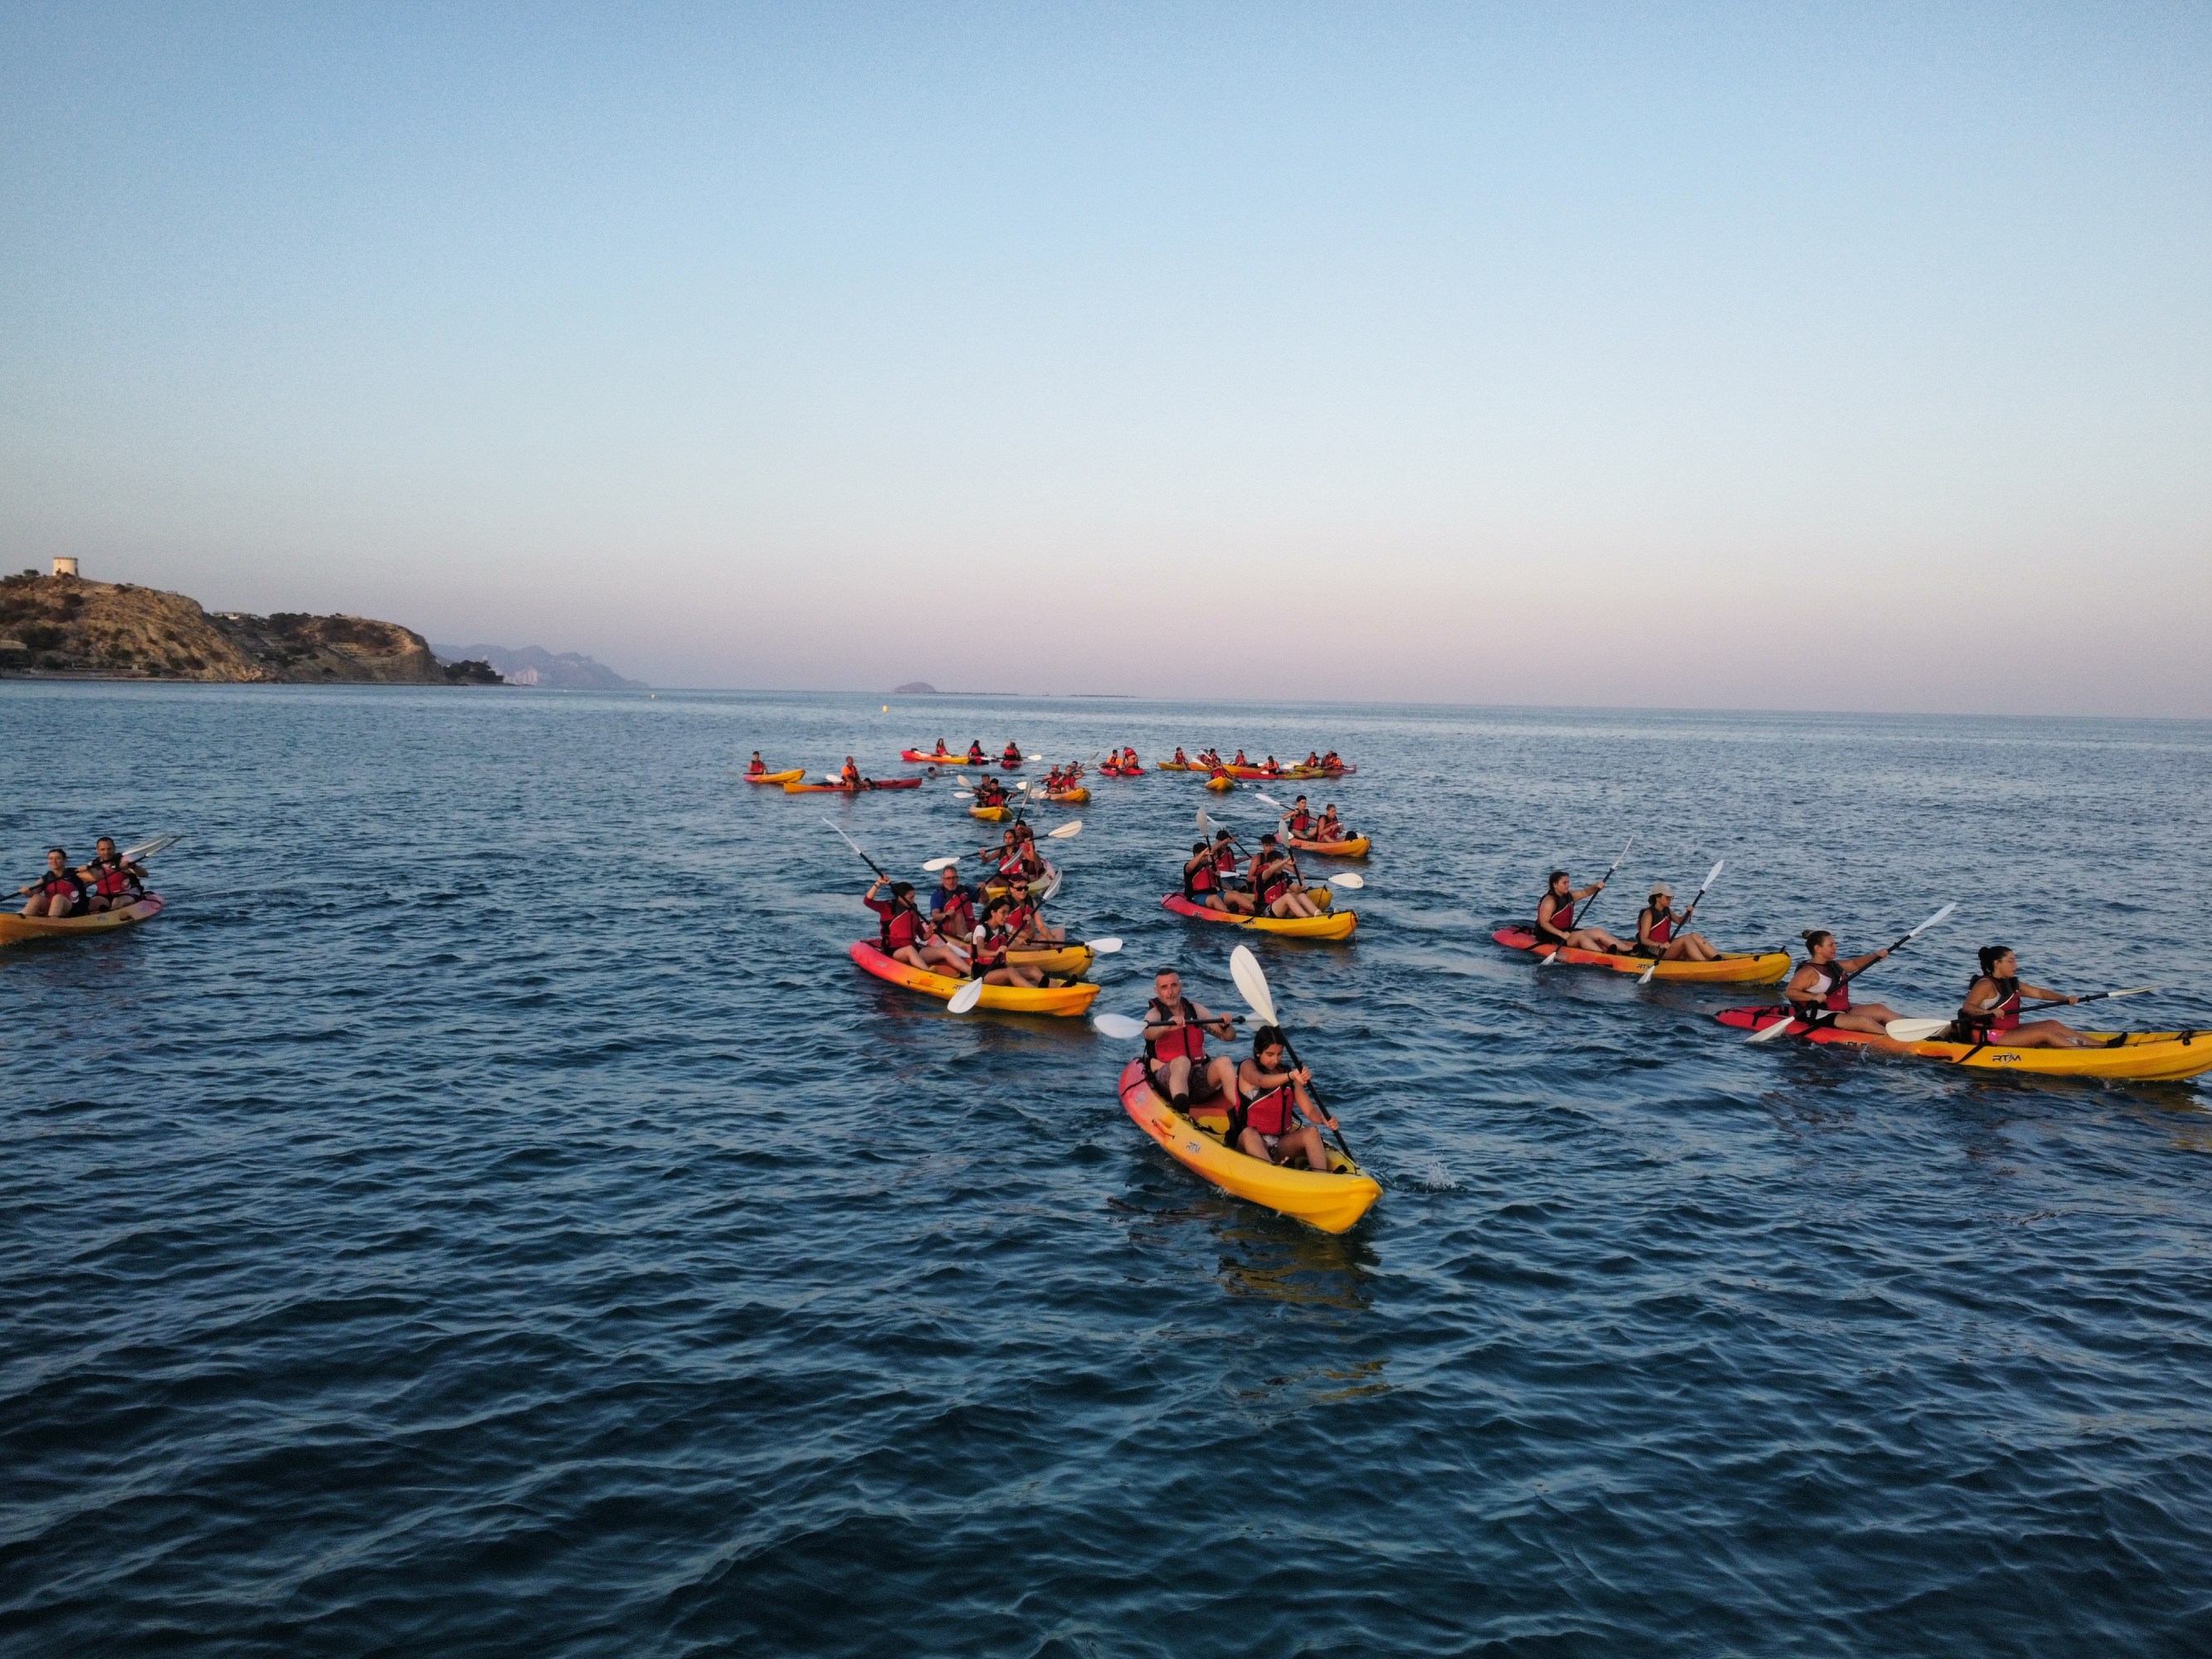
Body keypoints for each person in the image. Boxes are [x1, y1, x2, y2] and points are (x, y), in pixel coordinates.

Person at [1233, 1027, 1337, 1170]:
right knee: (1249, 1134)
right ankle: (1274, 1172)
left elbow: (1309, 1110)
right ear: (1258, 1052)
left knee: (1312, 1132)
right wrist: (1291, 1075)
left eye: (1279, 1054)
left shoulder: (1288, 1074)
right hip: (1252, 1142)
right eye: (1270, 1054)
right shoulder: (1248, 1066)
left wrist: (1323, 1118)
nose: (1275, 1060)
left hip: (1281, 1144)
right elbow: (1261, 1080)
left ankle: (1322, 1177)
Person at [1782, 931, 1909, 1047]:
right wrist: (1813, 997)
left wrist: (1876, 957)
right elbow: (1790, 992)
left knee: (1880, 1009)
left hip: (1840, 1009)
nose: (1835, 947)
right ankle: (1900, 1044)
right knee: (1864, 1022)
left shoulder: (1834, 965)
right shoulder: (1808, 972)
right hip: (1820, 1014)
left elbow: (1855, 963)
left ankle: (1910, 1031)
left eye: (1835, 944)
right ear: (1818, 949)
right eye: (1831, 945)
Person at [1952, 946, 2096, 1048]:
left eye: (2015, 961)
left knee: (2053, 1024)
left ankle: (2102, 1046)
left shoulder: (2011, 983)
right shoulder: (1985, 984)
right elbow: (1968, 1007)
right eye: (2011, 961)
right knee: (2045, 1033)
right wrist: (1988, 1012)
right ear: (1997, 963)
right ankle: (2085, 1055)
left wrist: (2064, 998)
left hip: (2008, 1031)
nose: (2016, 965)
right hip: (1989, 1034)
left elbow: (2039, 993)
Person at [1143, 969, 1240, 1112]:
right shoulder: (1155, 1014)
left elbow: (1229, 1037)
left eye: (1174, 985)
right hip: (1168, 1081)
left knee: (1224, 1062)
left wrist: (1226, 1026)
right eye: (1164, 987)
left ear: (1180, 987)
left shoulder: (1195, 1010)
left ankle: (1241, 1110)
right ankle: (1181, 1107)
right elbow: (1147, 1032)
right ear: (1157, 991)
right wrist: (1166, 1027)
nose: (1170, 992)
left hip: (1197, 1079)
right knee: (1182, 1061)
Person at [864, 877, 964, 974]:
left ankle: (972, 973)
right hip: (893, 951)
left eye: (914, 897)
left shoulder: (913, 910)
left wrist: (932, 931)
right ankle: (928, 974)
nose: (913, 900)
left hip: (914, 949)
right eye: (911, 898)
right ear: (900, 897)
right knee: (909, 950)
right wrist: (878, 883)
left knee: (946, 950)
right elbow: (867, 901)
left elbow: (923, 937)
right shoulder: (888, 907)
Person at [1535, 870, 1629, 955]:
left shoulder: (1568, 896)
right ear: (1555, 885)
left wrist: (1596, 886)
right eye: (1564, 883)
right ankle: (1603, 954)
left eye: (1568, 882)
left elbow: (1584, 892)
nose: (1568, 885)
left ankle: (1628, 950)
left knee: (1598, 931)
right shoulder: (1549, 901)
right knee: (1582, 936)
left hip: (1566, 932)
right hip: (1551, 936)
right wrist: (1561, 934)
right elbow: (1544, 923)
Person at [966, 898, 1043, 989]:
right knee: (1010, 971)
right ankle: (1034, 992)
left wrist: (1030, 923)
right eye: (1003, 912)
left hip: (1000, 969)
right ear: (993, 913)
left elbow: (1029, 936)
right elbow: (980, 951)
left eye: (1008, 913)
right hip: (982, 973)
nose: (1007, 916)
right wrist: (995, 953)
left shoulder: (1005, 926)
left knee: (1033, 970)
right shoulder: (981, 929)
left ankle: (1059, 988)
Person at [1635, 883, 1720, 962]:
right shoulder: (1649, 914)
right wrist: (1660, 945)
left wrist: (1688, 912)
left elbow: (1680, 921)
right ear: (1658, 898)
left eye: (1671, 897)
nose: (1670, 900)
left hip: (1666, 947)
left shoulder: (1666, 910)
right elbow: (1644, 939)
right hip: (1655, 951)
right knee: (1685, 938)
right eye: (1667, 897)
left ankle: (1717, 958)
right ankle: (1704, 964)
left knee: (1694, 935)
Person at [1251, 834, 1323, 918]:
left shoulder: (1283, 875)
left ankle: (1319, 916)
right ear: (1269, 864)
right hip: (1265, 911)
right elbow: (1271, 869)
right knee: (1287, 896)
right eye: (1278, 864)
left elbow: (1296, 890)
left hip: (1279, 909)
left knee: (1301, 896)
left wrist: (1300, 888)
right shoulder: (1263, 875)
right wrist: (1286, 861)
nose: (1280, 866)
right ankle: (1306, 918)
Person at [76, 837, 146, 914]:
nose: (106, 852)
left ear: (115, 849)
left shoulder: (124, 860)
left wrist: (133, 866)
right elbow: (81, 884)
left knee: (117, 902)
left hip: (128, 894)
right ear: (97, 850)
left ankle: (110, 914)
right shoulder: (92, 865)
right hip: (104, 896)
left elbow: (144, 874)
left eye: (109, 849)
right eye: (103, 849)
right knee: (92, 903)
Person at [18, 848, 84, 917]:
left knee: (57, 898)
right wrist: (27, 892)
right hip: (52, 908)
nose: (54, 861)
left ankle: (52, 921)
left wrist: (88, 870)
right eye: (51, 858)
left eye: (58, 858)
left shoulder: (75, 872)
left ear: (65, 860)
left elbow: (95, 878)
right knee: (36, 897)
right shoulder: (47, 877)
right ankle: (26, 919)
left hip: (73, 909)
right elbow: (34, 893)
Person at [928, 864, 978, 945]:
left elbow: (985, 900)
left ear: (958, 878)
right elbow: (935, 915)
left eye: (954, 878)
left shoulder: (966, 890)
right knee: (959, 916)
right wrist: (945, 914)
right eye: (948, 878)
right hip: (950, 926)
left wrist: (982, 890)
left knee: (984, 921)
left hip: (970, 923)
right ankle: (967, 943)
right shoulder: (938, 895)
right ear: (942, 880)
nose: (952, 881)